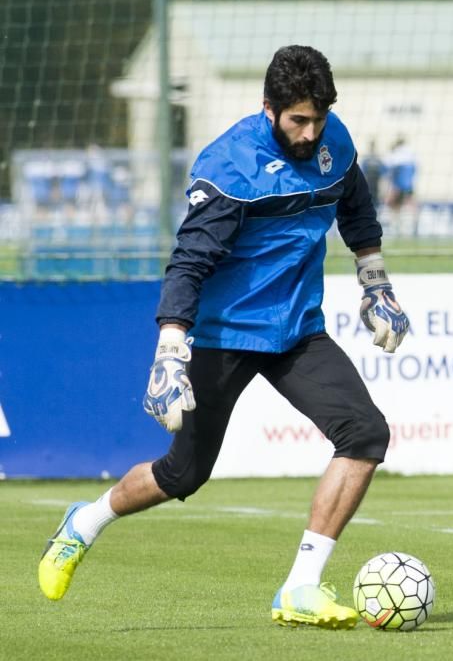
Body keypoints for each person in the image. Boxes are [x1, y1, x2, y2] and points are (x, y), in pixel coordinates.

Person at [37, 45, 411, 630]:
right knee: (183, 475)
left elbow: (356, 210)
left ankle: (300, 588)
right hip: (220, 335)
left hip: (295, 331)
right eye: (298, 121)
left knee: (365, 433)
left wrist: (376, 283)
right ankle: (82, 524)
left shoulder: (333, 142)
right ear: (269, 109)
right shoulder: (231, 166)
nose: (311, 133)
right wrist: (169, 353)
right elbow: (188, 265)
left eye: (318, 118)